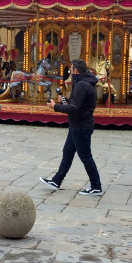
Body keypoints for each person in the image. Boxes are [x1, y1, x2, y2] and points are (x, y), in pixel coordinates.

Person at [39, 59, 103, 196]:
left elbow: (74, 108)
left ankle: (96, 185)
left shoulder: (81, 85)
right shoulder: (85, 83)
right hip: (77, 125)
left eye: (71, 70)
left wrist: (54, 107)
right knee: (67, 152)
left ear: (75, 71)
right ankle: (57, 180)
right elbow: (76, 104)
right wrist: (65, 101)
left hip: (81, 126)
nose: (70, 72)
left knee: (85, 156)